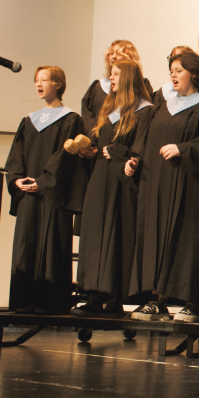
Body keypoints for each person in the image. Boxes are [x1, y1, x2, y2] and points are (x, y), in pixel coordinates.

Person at [126, 51, 199, 322]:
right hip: (158, 186)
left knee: (189, 243)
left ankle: (192, 303)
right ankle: (155, 299)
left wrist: (183, 149)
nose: (173, 74)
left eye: (179, 69)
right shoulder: (161, 106)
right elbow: (144, 142)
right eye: (171, 69)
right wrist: (135, 160)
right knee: (156, 239)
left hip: (190, 188)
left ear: (194, 73)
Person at [73, 61, 154, 317]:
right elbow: (102, 144)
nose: (112, 78)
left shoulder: (144, 111)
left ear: (129, 78)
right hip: (100, 179)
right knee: (96, 234)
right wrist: (89, 150)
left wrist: (123, 156)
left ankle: (115, 299)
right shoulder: (110, 110)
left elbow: (141, 148)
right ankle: (94, 295)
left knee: (119, 235)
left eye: (117, 74)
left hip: (122, 182)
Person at [5, 66, 87, 314]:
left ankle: (50, 304)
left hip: (53, 194)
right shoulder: (29, 120)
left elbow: (66, 157)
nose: (39, 85)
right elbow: (16, 155)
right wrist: (17, 179)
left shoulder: (71, 119)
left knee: (52, 246)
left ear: (58, 84)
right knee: (25, 244)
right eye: (36, 81)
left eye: (45, 80)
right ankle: (23, 302)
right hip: (29, 193)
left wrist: (45, 180)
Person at [81, 40, 151, 135]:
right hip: (99, 137)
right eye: (111, 53)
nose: (113, 57)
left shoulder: (142, 85)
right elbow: (87, 115)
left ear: (130, 57)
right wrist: (94, 135)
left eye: (118, 53)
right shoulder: (97, 87)